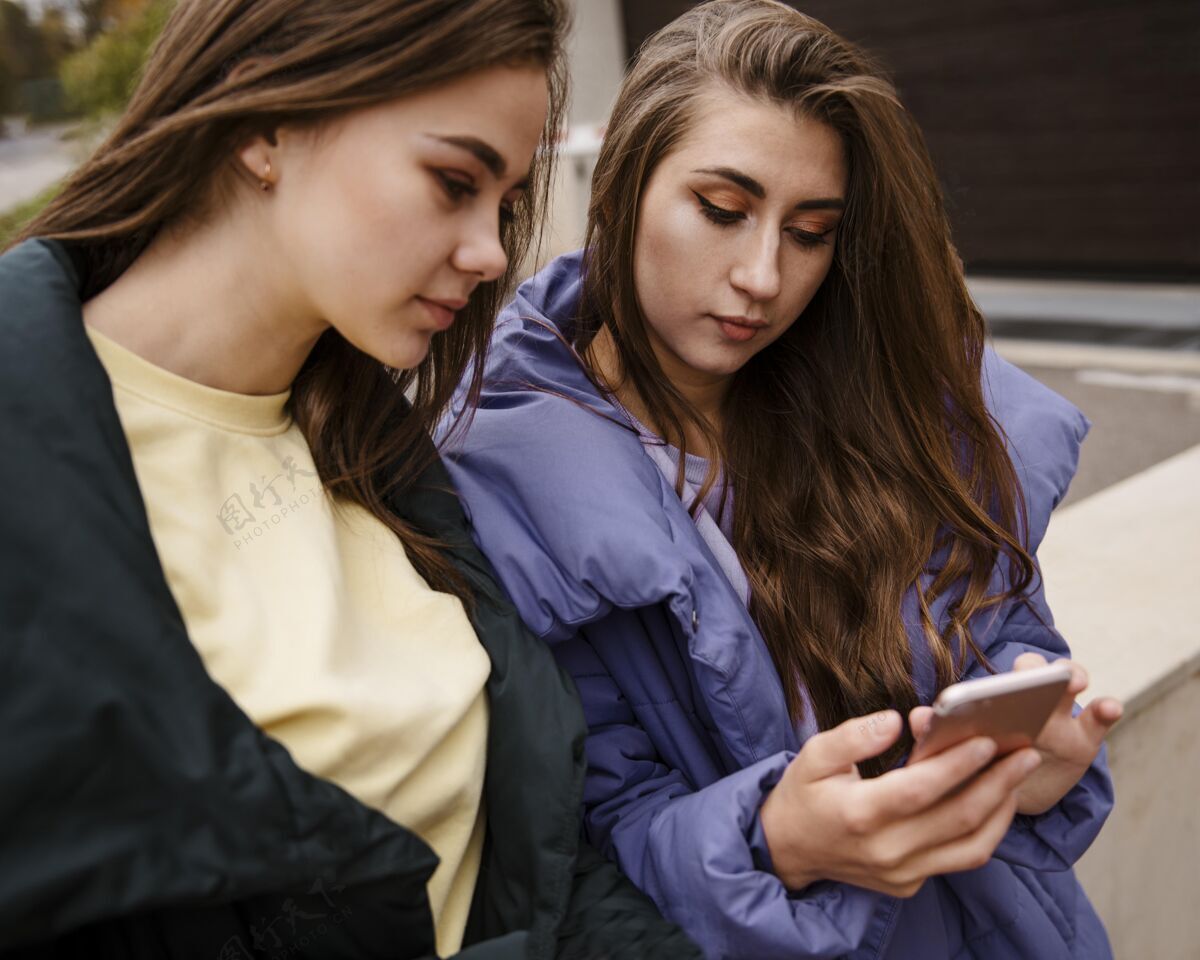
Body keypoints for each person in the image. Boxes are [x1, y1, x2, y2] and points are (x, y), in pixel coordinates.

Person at [0, 1, 701, 957]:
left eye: (503, 198)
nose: (494, 250)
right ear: (267, 127)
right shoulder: (33, 460)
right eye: (453, 180)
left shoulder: (377, 443)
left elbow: (533, 863)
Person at [435, 1, 1123, 957]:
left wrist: (1027, 750)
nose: (763, 275)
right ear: (623, 189)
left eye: (810, 232)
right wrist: (773, 842)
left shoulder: (893, 405)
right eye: (722, 211)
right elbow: (576, 839)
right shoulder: (488, 473)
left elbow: (1001, 630)